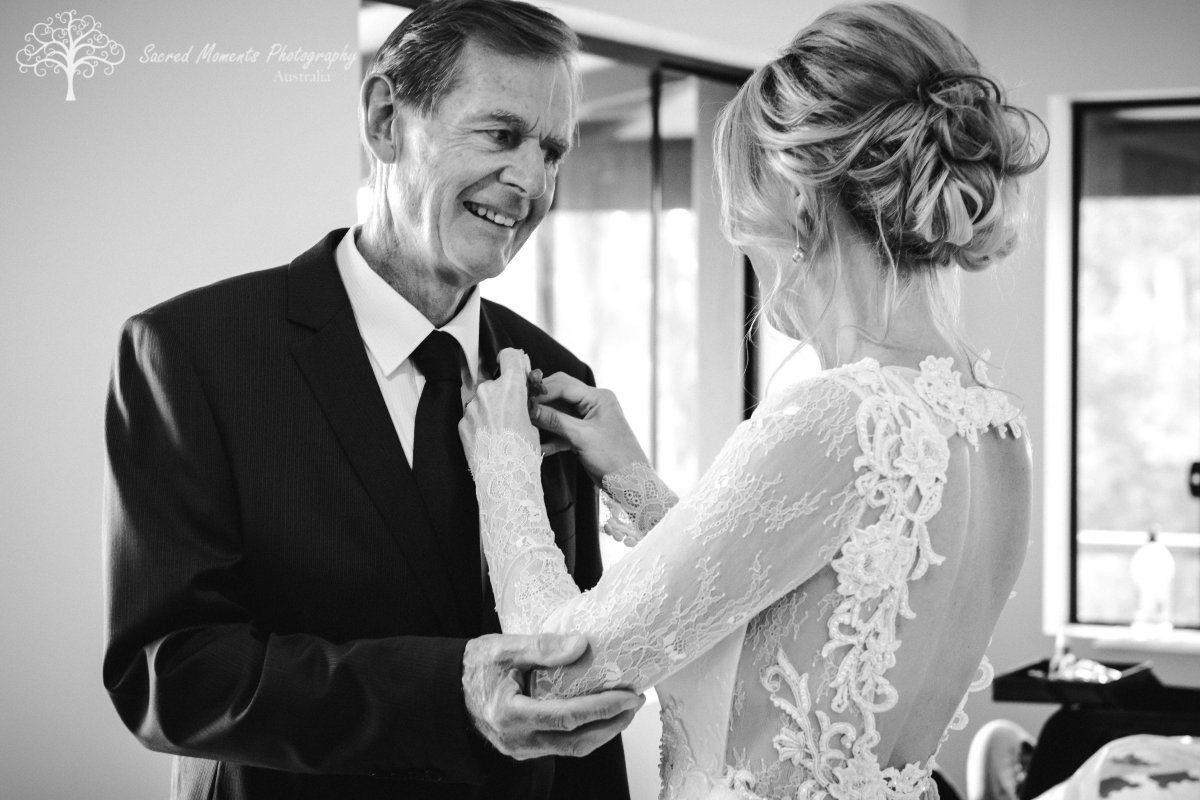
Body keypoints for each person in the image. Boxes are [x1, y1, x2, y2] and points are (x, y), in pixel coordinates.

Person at [458, 3, 1048, 799]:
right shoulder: (996, 428)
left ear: (799, 197)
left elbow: (557, 677)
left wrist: (503, 470)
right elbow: (778, 619)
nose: (746, 242)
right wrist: (632, 480)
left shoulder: (838, 415)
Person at [101, 1, 638, 798]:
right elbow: (171, 673)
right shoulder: (192, 353)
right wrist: (446, 692)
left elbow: (580, 680)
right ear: (386, 120)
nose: (531, 183)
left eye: (552, 150)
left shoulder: (557, 376)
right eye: (500, 134)